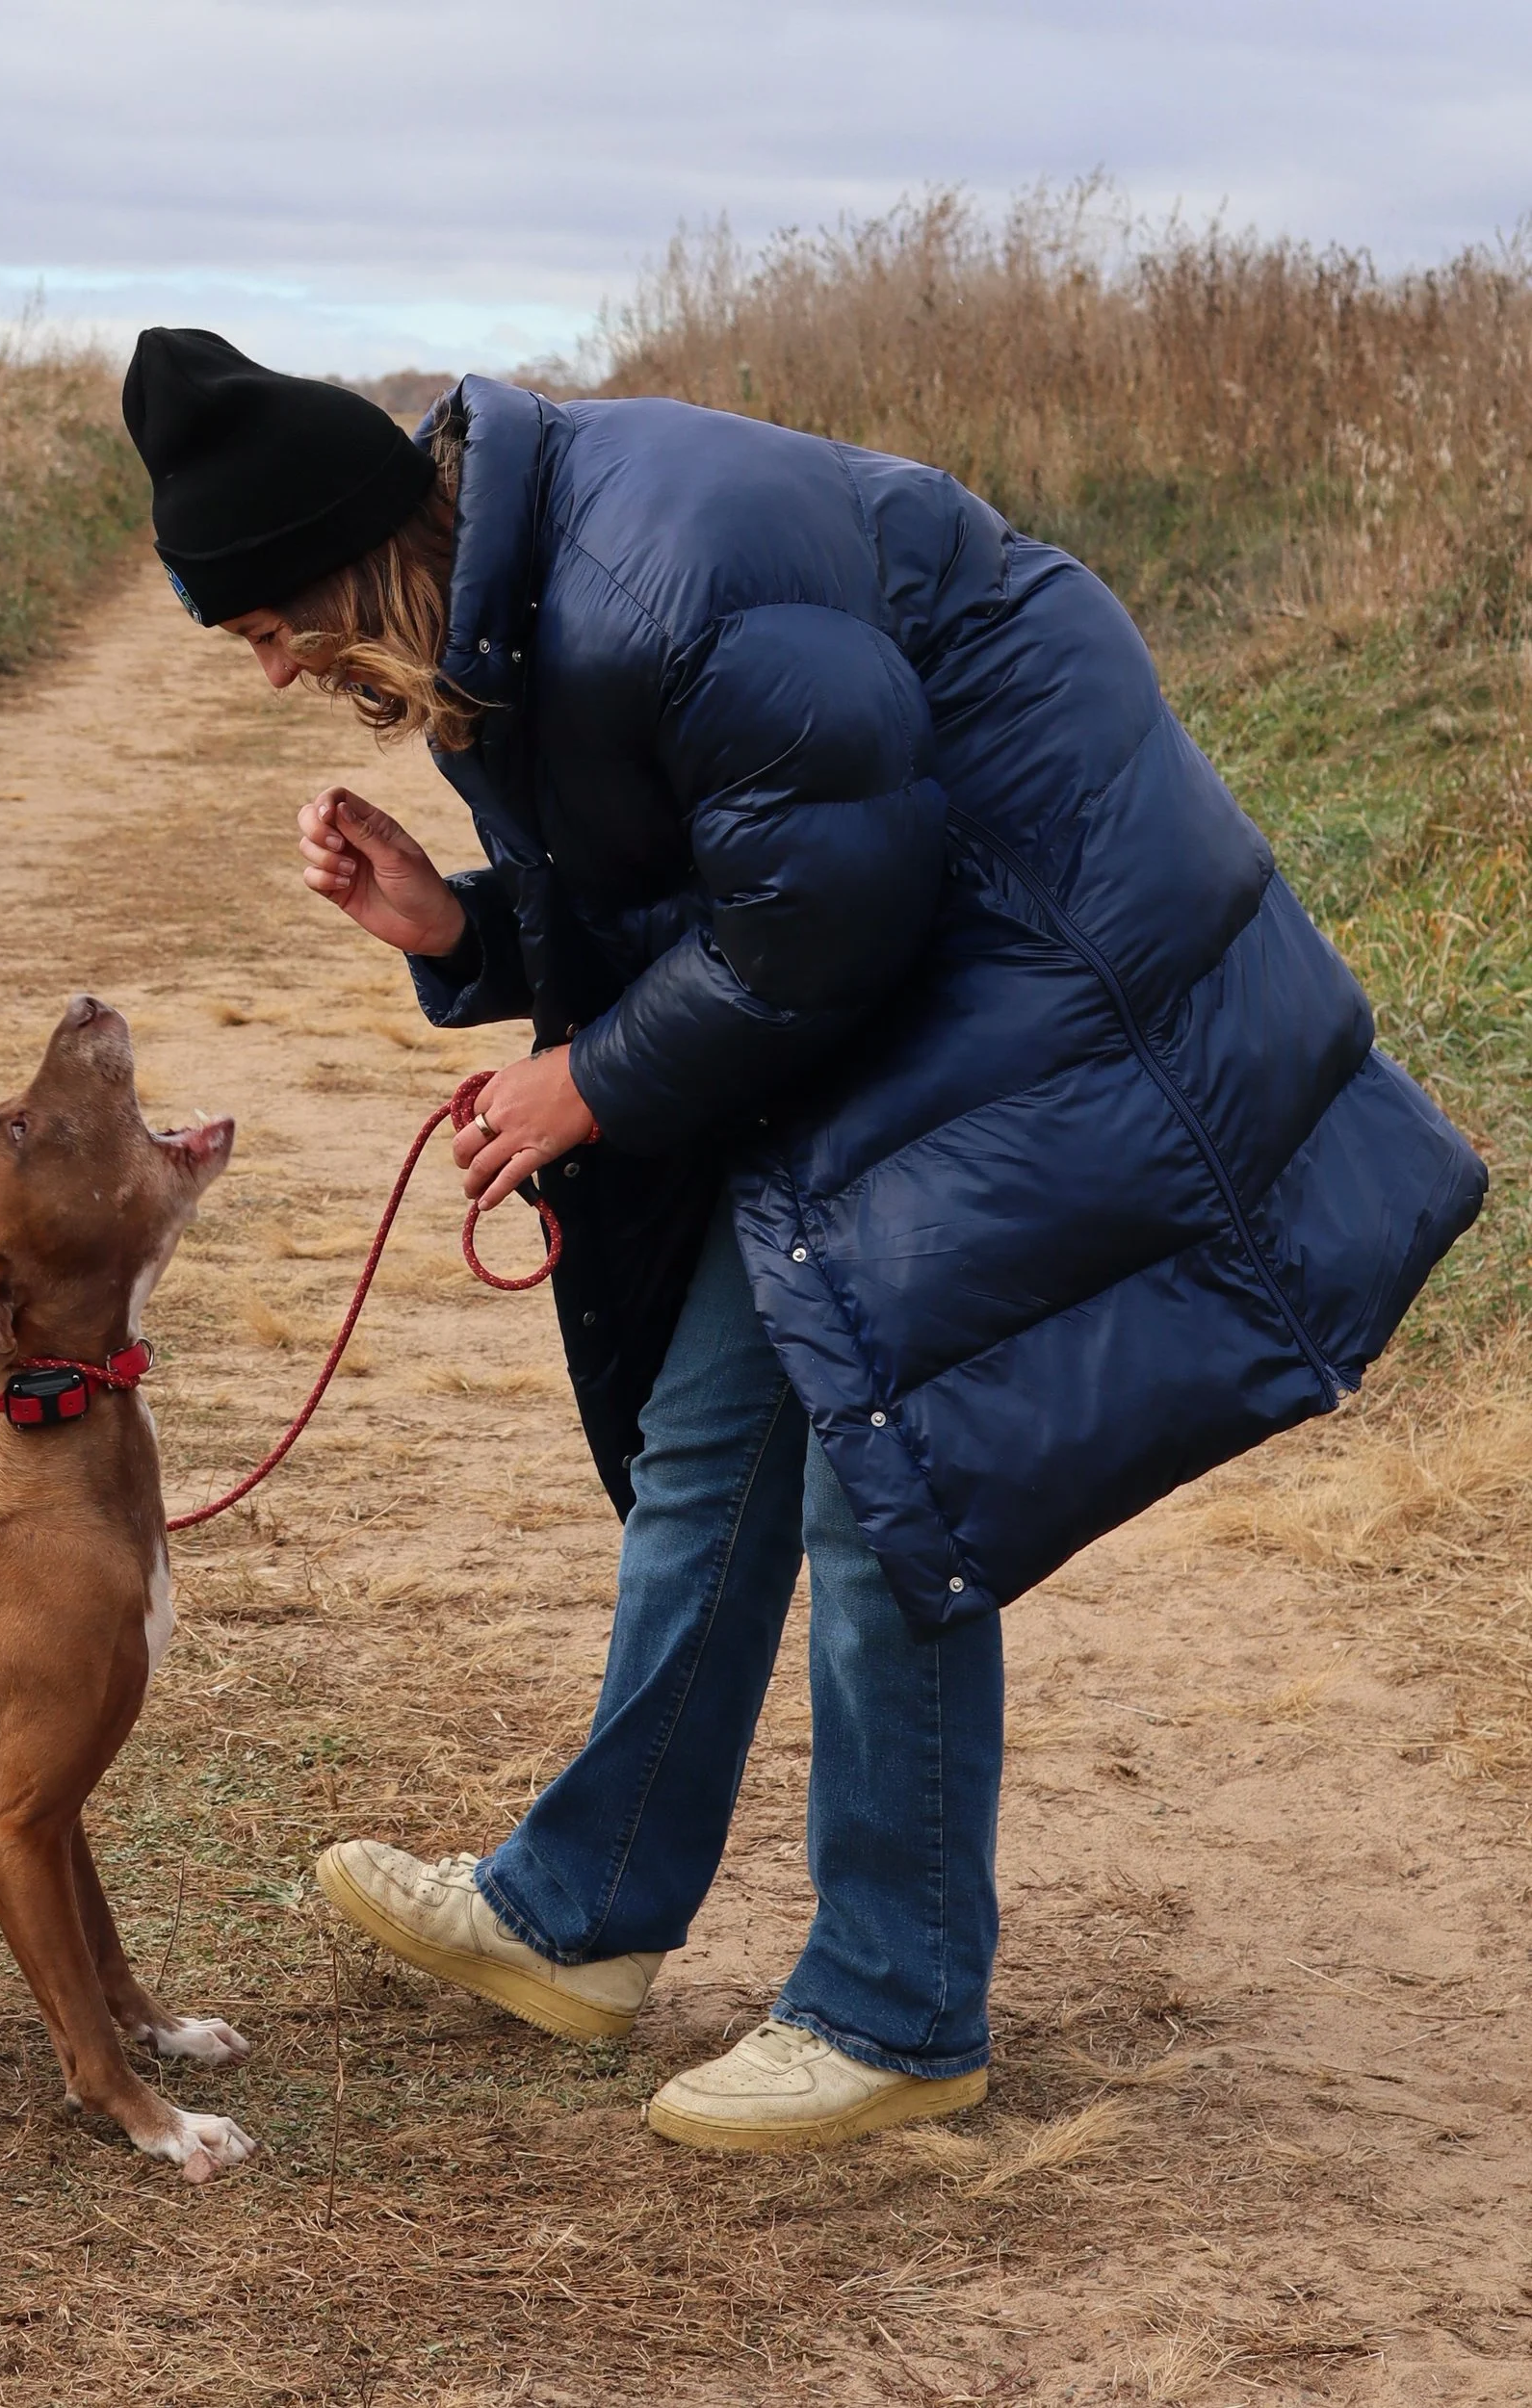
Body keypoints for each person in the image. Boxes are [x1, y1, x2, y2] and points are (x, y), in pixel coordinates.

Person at [119, 328, 1486, 2152]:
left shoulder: (655, 569)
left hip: (1031, 945)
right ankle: (580, 1914)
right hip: (887, 947)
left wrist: (584, 1087)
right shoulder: (521, 583)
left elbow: (822, 915)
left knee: (887, 1451)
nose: (281, 670)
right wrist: (458, 924)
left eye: (273, 625)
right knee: (714, 1434)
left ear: (357, 550)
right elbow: (687, 879)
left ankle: (897, 2008)